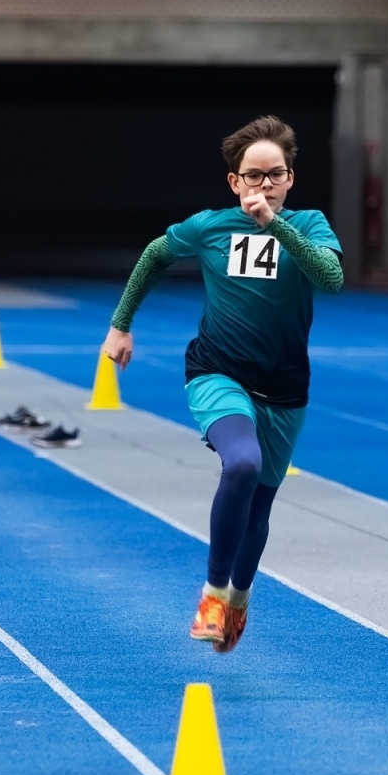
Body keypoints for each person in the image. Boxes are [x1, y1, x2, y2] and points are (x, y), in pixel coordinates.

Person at [103, 115, 342, 654]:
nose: (264, 186)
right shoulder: (210, 226)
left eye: (274, 175)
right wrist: (121, 324)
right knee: (242, 463)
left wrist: (276, 225)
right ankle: (213, 592)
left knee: (259, 507)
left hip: (284, 388)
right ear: (233, 181)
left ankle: (239, 594)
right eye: (252, 177)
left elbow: (330, 278)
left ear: (290, 179)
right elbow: (155, 254)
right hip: (218, 373)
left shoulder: (308, 225)